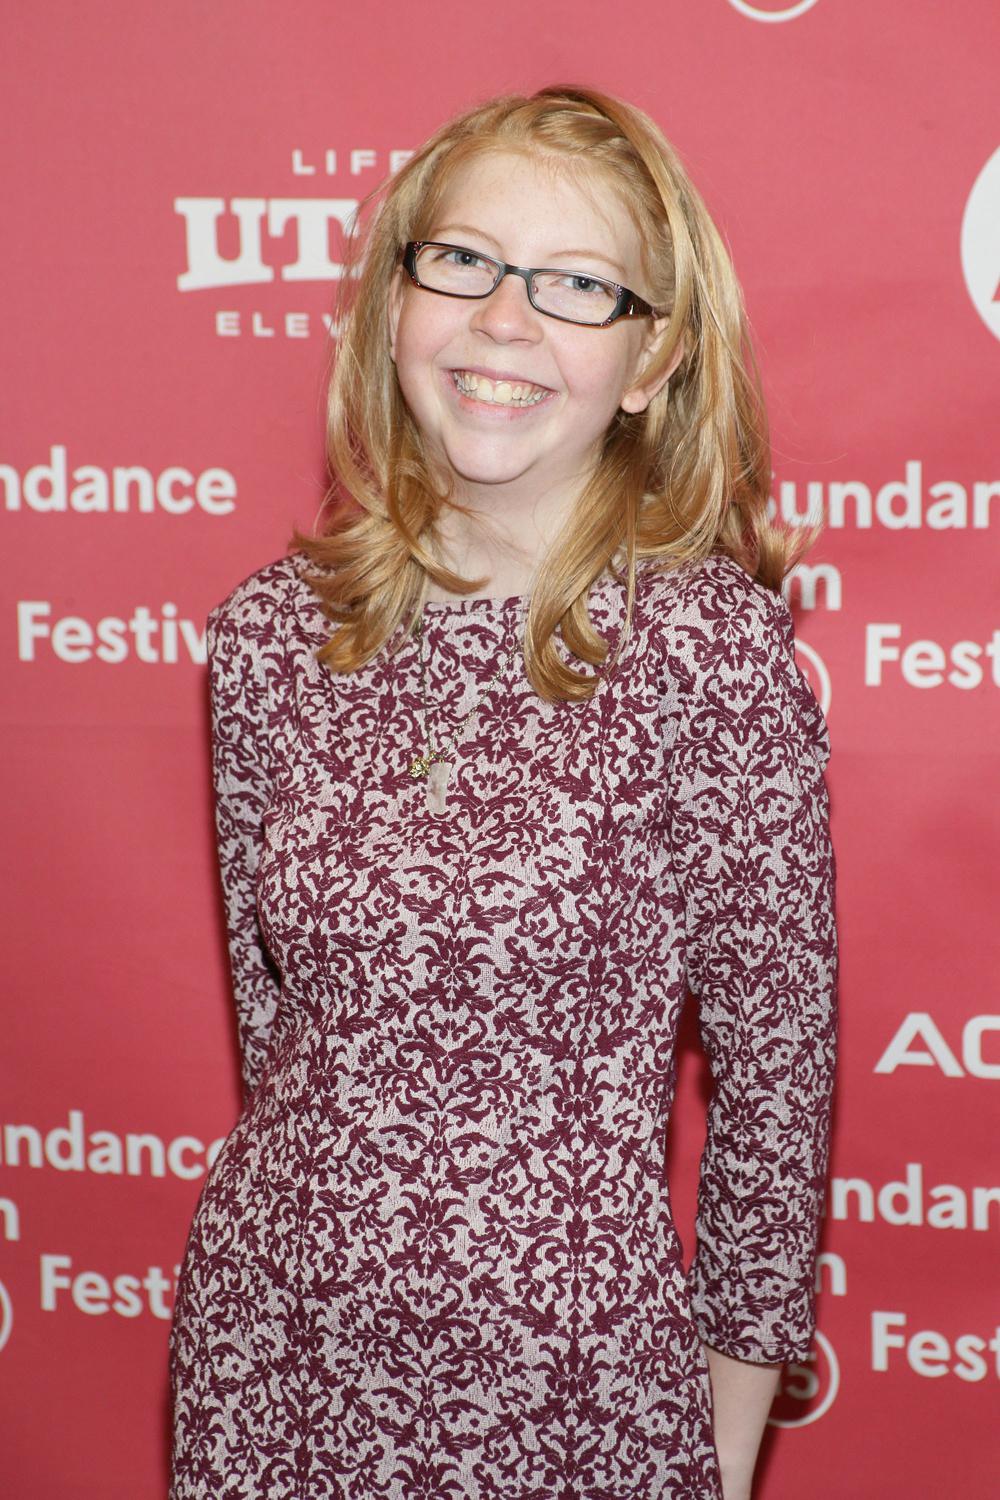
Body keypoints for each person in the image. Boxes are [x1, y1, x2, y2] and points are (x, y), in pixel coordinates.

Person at [168, 84, 838, 1500]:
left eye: (577, 285)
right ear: (392, 300)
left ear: (650, 360)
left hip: (575, 1396)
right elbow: (278, 1048)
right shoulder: (271, 637)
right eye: (462, 261)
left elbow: (777, 1095)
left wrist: (714, 1462)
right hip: (270, 1371)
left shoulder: (708, 653)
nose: (504, 320)